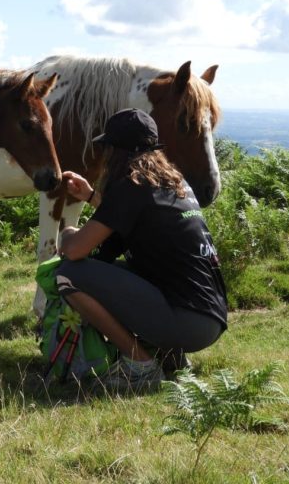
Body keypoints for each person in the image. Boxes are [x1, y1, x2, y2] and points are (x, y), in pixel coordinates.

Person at [56, 108, 228, 393]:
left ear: (116, 151)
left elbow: (75, 252)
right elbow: (133, 221)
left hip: (186, 321)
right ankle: (168, 354)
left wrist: (67, 234)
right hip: (209, 317)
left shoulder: (130, 186)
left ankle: (140, 365)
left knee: (70, 275)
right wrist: (90, 196)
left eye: (107, 148)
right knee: (115, 270)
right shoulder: (173, 183)